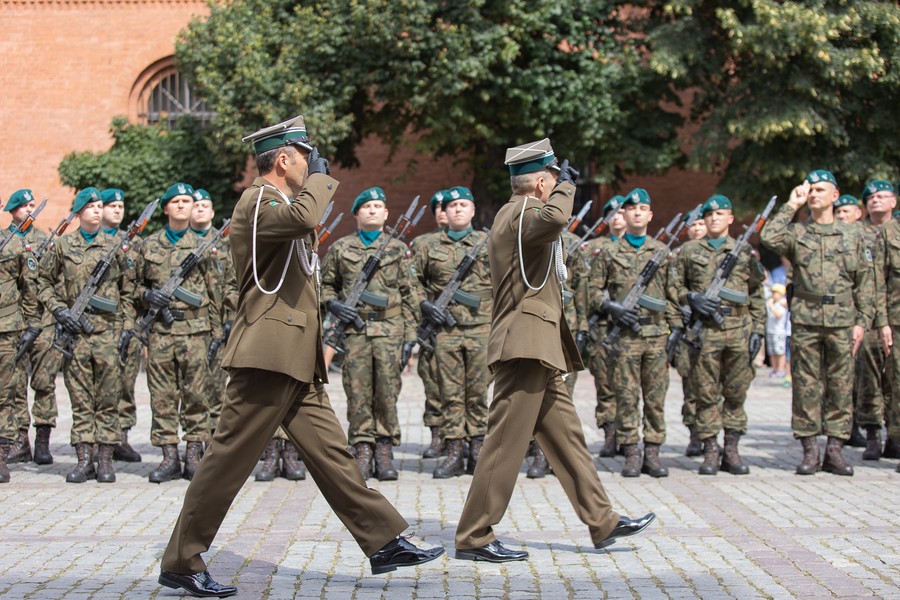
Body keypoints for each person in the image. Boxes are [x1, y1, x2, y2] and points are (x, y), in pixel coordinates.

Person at [157, 115, 442, 598]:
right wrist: (322, 180)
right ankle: (182, 560)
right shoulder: (259, 200)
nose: (313, 165)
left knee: (333, 454)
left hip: (292, 354)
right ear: (284, 159)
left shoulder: (280, 201)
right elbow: (304, 219)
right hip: (268, 354)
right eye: (306, 157)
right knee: (226, 461)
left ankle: (384, 540)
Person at [454, 138, 654, 564]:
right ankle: (474, 535)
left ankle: (602, 519)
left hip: (537, 343)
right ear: (542, 183)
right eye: (554, 182)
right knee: (505, 443)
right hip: (524, 343)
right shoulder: (524, 211)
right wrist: (565, 187)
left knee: (566, 439)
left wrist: (557, 184)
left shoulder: (521, 211)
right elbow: (557, 218)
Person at [760, 170, 876, 476]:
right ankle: (810, 450)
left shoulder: (853, 234)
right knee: (806, 386)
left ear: (835, 195)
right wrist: (790, 204)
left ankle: (835, 450)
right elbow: (768, 237)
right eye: (810, 190)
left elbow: (865, 282)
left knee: (841, 385)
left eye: (820, 190)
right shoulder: (798, 233)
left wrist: (862, 322)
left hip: (842, 320)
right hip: (807, 319)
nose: (814, 195)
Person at [320, 186, 420, 481]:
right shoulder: (340, 249)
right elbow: (325, 286)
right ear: (357, 214)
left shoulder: (399, 249)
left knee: (387, 392)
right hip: (355, 332)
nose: (373, 210)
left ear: (386, 213)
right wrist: (334, 305)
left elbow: (410, 294)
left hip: (390, 331)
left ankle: (384, 449)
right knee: (358, 391)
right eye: (367, 207)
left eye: (378, 206)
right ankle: (362, 448)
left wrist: (411, 337)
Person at [38, 187, 135, 483]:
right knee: (80, 398)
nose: (96, 209)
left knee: (108, 397)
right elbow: (42, 282)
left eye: (99, 206)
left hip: (106, 333)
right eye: (90, 206)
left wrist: (126, 328)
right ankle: (84, 461)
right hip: (76, 333)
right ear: (78, 212)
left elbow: (128, 290)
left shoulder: (116, 246)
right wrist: (59, 311)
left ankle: (105, 460)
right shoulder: (62, 246)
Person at [670, 194, 766, 475]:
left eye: (720, 214)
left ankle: (732, 449)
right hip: (705, 334)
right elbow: (672, 288)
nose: (714, 218)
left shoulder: (744, 251)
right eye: (709, 214)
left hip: (738, 330)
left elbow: (757, 293)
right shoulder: (688, 251)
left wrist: (758, 330)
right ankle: (710, 449)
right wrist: (692, 297)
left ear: (730, 218)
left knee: (736, 393)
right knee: (706, 393)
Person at [133, 182, 222, 483]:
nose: (184, 205)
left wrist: (217, 333)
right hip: (160, 331)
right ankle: (169, 456)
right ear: (167, 208)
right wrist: (147, 297)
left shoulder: (205, 245)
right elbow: (131, 286)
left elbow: (217, 292)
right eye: (177, 201)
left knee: (198, 395)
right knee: (162, 396)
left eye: (188, 200)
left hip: (197, 331)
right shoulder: (149, 245)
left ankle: (194, 455)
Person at [589, 188, 681, 478]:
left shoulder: (662, 253)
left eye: (643, 209)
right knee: (626, 397)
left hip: (655, 334)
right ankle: (630, 451)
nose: (637, 213)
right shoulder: (609, 252)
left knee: (655, 397)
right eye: (631, 209)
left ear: (650, 215)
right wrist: (610, 306)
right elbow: (591, 291)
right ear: (624, 215)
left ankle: (652, 452)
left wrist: (677, 331)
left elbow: (674, 294)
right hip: (624, 335)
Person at [413, 185, 491, 478]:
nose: (457, 209)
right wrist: (425, 305)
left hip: (481, 328)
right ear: (444, 213)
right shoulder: (428, 246)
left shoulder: (488, 243)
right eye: (452, 206)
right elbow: (412, 281)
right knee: (451, 393)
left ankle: (479, 450)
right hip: (444, 331)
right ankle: (455, 452)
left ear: (472, 210)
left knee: (479, 393)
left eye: (463, 205)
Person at [5, 189, 58, 465]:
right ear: (12, 210)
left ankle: (43, 442)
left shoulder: (47, 241)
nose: (29, 209)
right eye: (24, 205)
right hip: (14, 323)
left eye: (32, 205)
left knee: (44, 381)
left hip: (45, 321)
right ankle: (19, 439)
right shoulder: (5, 241)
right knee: (14, 384)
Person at [0, 191, 42, 483]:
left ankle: (1, 453)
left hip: (7, 327)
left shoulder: (16, 243)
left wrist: (31, 325)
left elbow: (30, 288)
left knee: (5, 392)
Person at [99, 188, 143, 463]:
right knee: (103, 384)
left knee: (127, 383)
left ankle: (122, 438)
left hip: (130, 324)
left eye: (120, 206)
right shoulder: (94, 241)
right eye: (111, 205)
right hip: (101, 325)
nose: (117, 210)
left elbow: (141, 283)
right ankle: (102, 439)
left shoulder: (136, 244)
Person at [583, 196, 626, 458]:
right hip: (602, 324)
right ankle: (610, 433)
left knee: (629, 383)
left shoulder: (641, 247)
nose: (618, 217)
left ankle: (628, 433)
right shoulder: (592, 248)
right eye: (613, 213)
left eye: (622, 212)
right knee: (605, 382)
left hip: (632, 327)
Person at [855, 181, 895, 459]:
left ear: (894, 201)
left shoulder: (896, 232)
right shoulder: (855, 233)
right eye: (870, 197)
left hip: (894, 315)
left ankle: (895, 435)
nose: (875, 200)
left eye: (882, 196)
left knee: (895, 379)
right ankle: (871, 433)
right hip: (865, 316)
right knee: (868, 377)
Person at [409, 190, 449, 459]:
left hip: (467, 327)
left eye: (453, 206)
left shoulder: (482, 242)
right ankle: (437, 436)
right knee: (433, 384)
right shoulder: (423, 244)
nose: (446, 211)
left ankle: (464, 438)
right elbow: (411, 284)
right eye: (441, 208)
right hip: (432, 328)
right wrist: (424, 304)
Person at [672, 210, 708, 456]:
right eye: (692, 224)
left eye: (700, 223)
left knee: (713, 387)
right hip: (689, 331)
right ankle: (695, 433)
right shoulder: (679, 256)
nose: (696, 228)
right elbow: (671, 289)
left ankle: (712, 435)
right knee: (691, 384)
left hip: (715, 328)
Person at [766, 284, 789, 378]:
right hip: (770, 330)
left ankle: (780, 369)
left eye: (775, 293)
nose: (773, 295)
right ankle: (774, 369)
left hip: (779, 331)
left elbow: (778, 315)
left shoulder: (783, 303)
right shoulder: (772, 302)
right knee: (771, 352)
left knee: (780, 351)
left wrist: (771, 305)